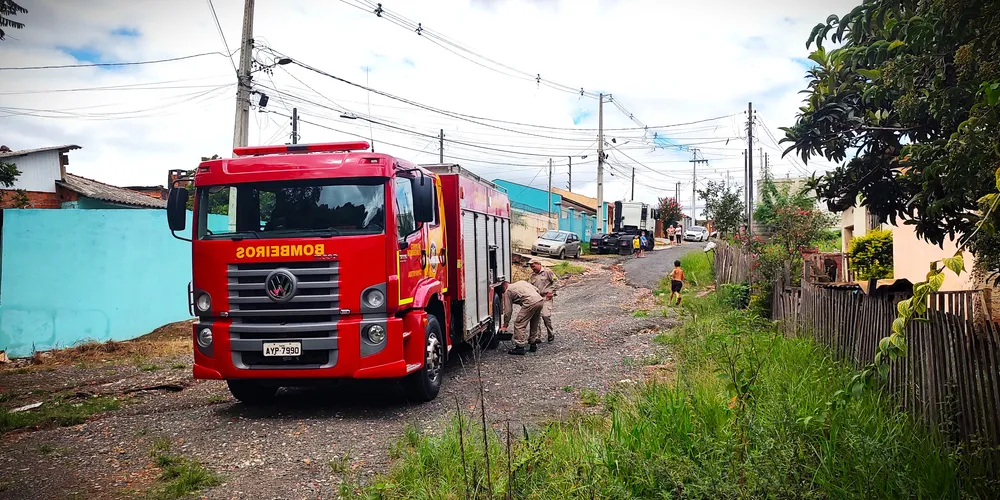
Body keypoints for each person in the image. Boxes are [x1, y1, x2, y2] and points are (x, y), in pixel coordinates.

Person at [499, 280, 544, 355]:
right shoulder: (521, 282)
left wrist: (505, 325)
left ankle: (520, 347)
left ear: (504, 288)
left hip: (530, 302)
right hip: (539, 300)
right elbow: (537, 290)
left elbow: (508, 311)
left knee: (519, 324)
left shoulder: (507, 291)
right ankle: (533, 344)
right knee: (534, 323)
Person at [528, 258, 557, 342]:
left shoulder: (548, 272)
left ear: (538, 264)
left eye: (533, 266)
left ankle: (551, 333)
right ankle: (537, 337)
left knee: (545, 316)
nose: (532, 268)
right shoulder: (532, 275)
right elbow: (529, 286)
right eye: (531, 267)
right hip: (536, 298)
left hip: (546, 298)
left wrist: (551, 292)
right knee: (536, 318)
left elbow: (556, 281)